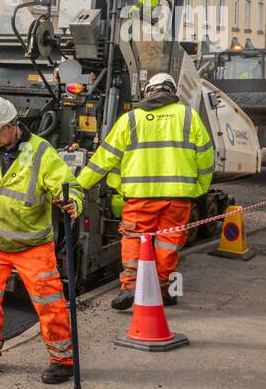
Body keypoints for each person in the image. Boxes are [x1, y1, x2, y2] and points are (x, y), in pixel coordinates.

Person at [0, 96, 84, 384]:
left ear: (10, 126)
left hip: (32, 244)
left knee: (49, 301)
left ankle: (62, 360)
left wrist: (72, 202)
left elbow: (68, 185)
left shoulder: (41, 152)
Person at [77, 72, 213, 310]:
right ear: (172, 91)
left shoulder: (130, 119)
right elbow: (205, 158)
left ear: (148, 91)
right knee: (168, 244)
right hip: (178, 197)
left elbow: (104, 159)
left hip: (139, 197)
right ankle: (162, 290)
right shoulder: (189, 117)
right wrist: (199, 188)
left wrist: (79, 187)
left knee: (133, 238)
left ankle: (129, 287)